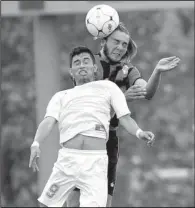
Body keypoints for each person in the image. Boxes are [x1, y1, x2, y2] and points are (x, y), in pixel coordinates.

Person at [66, 22, 180, 207]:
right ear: (104, 41)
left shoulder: (127, 70)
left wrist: (157, 71)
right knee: (75, 201)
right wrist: (122, 98)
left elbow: (147, 92)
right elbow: (90, 106)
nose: (120, 47)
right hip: (84, 138)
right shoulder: (88, 64)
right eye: (116, 42)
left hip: (108, 140)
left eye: (124, 44)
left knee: (105, 201)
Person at [29, 46, 155, 207]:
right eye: (77, 63)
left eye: (86, 61)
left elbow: (125, 118)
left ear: (94, 68)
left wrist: (139, 132)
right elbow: (47, 122)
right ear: (71, 71)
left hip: (95, 163)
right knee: (45, 205)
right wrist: (36, 143)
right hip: (67, 161)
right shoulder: (61, 96)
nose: (81, 65)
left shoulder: (108, 88)